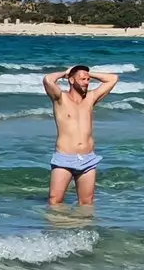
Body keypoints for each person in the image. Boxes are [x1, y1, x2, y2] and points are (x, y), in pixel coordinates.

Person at [43, 64, 120, 204]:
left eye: (88, 79)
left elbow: (113, 78)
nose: (86, 82)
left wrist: (88, 73)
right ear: (71, 80)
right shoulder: (60, 98)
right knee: (55, 200)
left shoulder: (90, 99)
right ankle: (57, 225)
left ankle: (83, 226)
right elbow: (48, 80)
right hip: (64, 158)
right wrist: (66, 72)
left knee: (86, 202)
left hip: (88, 159)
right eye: (82, 79)